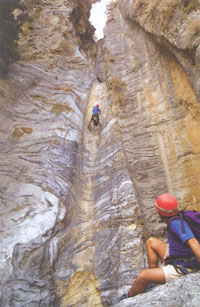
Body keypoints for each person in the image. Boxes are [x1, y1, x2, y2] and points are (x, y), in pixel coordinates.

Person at [118, 193, 200, 302]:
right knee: (151, 242)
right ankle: (155, 276)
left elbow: (193, 242)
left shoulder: (175, 223)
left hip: (184, 265)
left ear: (160, 211)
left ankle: (128, 299)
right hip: (180, 256)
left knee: (143, 276)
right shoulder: (179, 216)